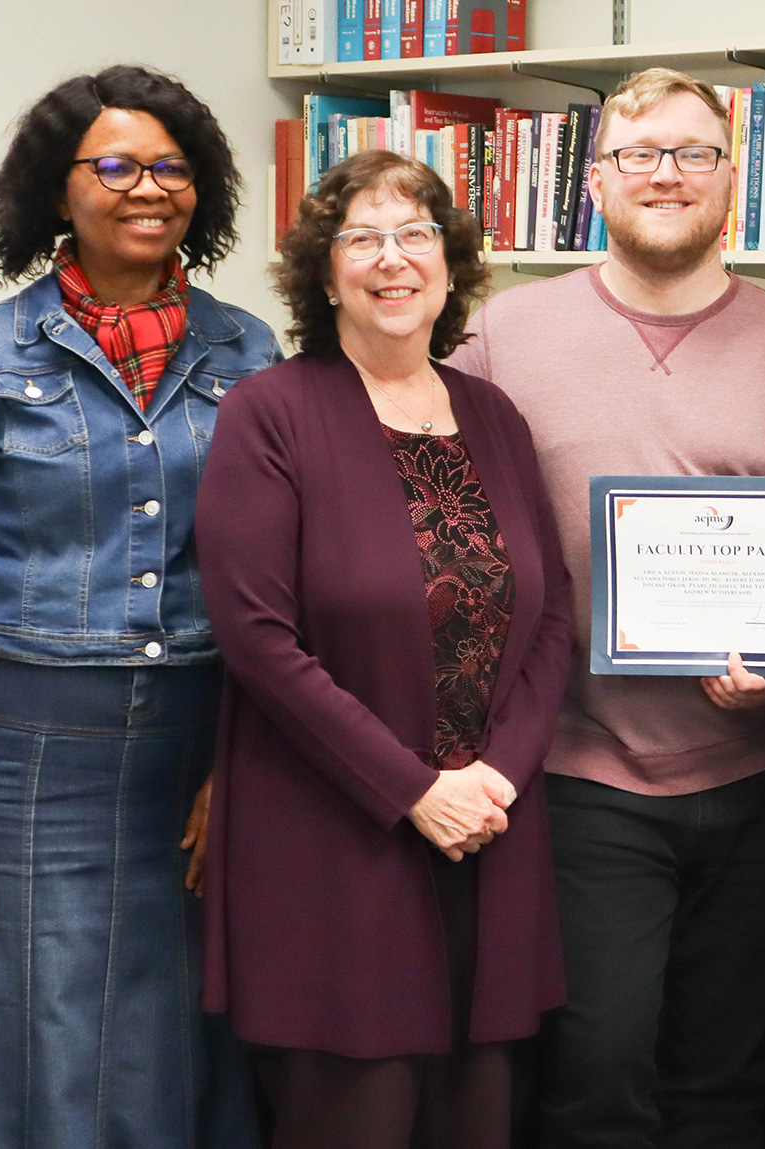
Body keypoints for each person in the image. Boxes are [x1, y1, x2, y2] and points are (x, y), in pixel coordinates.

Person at [443, 68, 765, 1148]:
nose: (665, 175)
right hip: (582, 778)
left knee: (730, 1084)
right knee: (598, 1077)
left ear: (734, 179)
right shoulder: (500, 338)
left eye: (693, 153)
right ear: (595, 182)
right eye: (639, 155)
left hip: (763, 779)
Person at [0, 66, 280, 1149]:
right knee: (14, 1054)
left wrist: (234, 765)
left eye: (169, 166)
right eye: (113, 165)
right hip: (20, 764)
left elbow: (270, 587)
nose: (146, 186)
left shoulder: (248, 353)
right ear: (58, 192)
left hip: (190, 764)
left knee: (171, 1052)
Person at [194, 149, 573, 1149]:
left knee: (479, 1120)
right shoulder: (269, 414)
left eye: (416, 236)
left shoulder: (492, 415)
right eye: (362, 238)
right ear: (324, 275)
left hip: (489, 842)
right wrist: (415, 789)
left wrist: (496, 776)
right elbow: (257, 638)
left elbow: (551, 616)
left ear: (451, 267)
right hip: (337, 847)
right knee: (350, 1122)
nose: (391, 259)